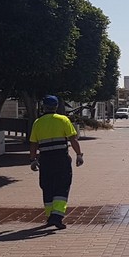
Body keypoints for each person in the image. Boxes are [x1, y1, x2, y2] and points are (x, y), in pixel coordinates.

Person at [29, 95, 84, 229]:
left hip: (45, 160)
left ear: (43, 107)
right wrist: (79, 155)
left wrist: (33, 160)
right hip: (61, 159)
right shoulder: (63, 120)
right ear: (56, 106)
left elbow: (33, 144)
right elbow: (73, 139)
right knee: (62, 186)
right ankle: (57, 217)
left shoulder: (38, 122)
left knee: (47, 187)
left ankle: (50, 216)